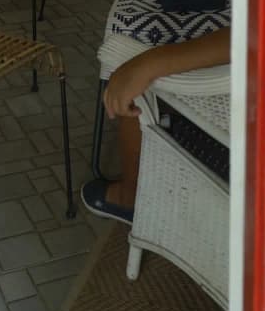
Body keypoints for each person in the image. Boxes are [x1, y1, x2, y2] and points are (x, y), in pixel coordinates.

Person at [79, 26, 231, 223]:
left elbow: (260, 32)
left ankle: (130, 199)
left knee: (132, 70)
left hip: (246, 156)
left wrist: (146, 64)